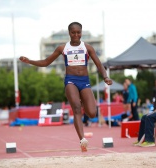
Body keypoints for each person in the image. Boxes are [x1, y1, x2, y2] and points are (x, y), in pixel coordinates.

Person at [19, 22, 112, 152]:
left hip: (84, 81)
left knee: (92, 113)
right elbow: (46, 62)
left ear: (81, 33)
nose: (76, 35)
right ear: (69, 33)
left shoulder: (88, 47)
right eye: (73, 32)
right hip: (71, 81)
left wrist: (105, 77)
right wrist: (29, 61)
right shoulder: (63, 48)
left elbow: (99, 64)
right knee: (76, 108)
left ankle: (83, 102)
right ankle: (82, 139)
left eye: (78, 32)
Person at [134, 70, 156, 147]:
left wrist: (155, 111)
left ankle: (150, 141)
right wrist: (155, 111)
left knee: (149, 117)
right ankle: (141, 140)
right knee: (144, 117)